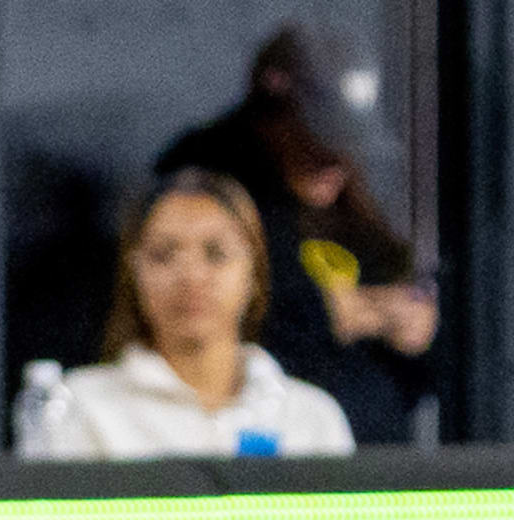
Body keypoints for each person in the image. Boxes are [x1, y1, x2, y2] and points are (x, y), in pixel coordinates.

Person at [156, 25, 437, 445]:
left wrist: (410, 326)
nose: (332, 162)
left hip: (367, 452)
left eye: (345, 148)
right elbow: (258, 321)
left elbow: (413, 332)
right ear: (271, 121)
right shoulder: (212, 190)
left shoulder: (352, 213)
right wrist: (336, 313)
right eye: (316, 142)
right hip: (262, 450)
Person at [35, 170, 353, 459]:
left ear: (254, 273)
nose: (191, 276)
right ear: (133, 273)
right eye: (163, 255)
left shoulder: (312, 417)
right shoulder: (79, 406)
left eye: (216, 254)